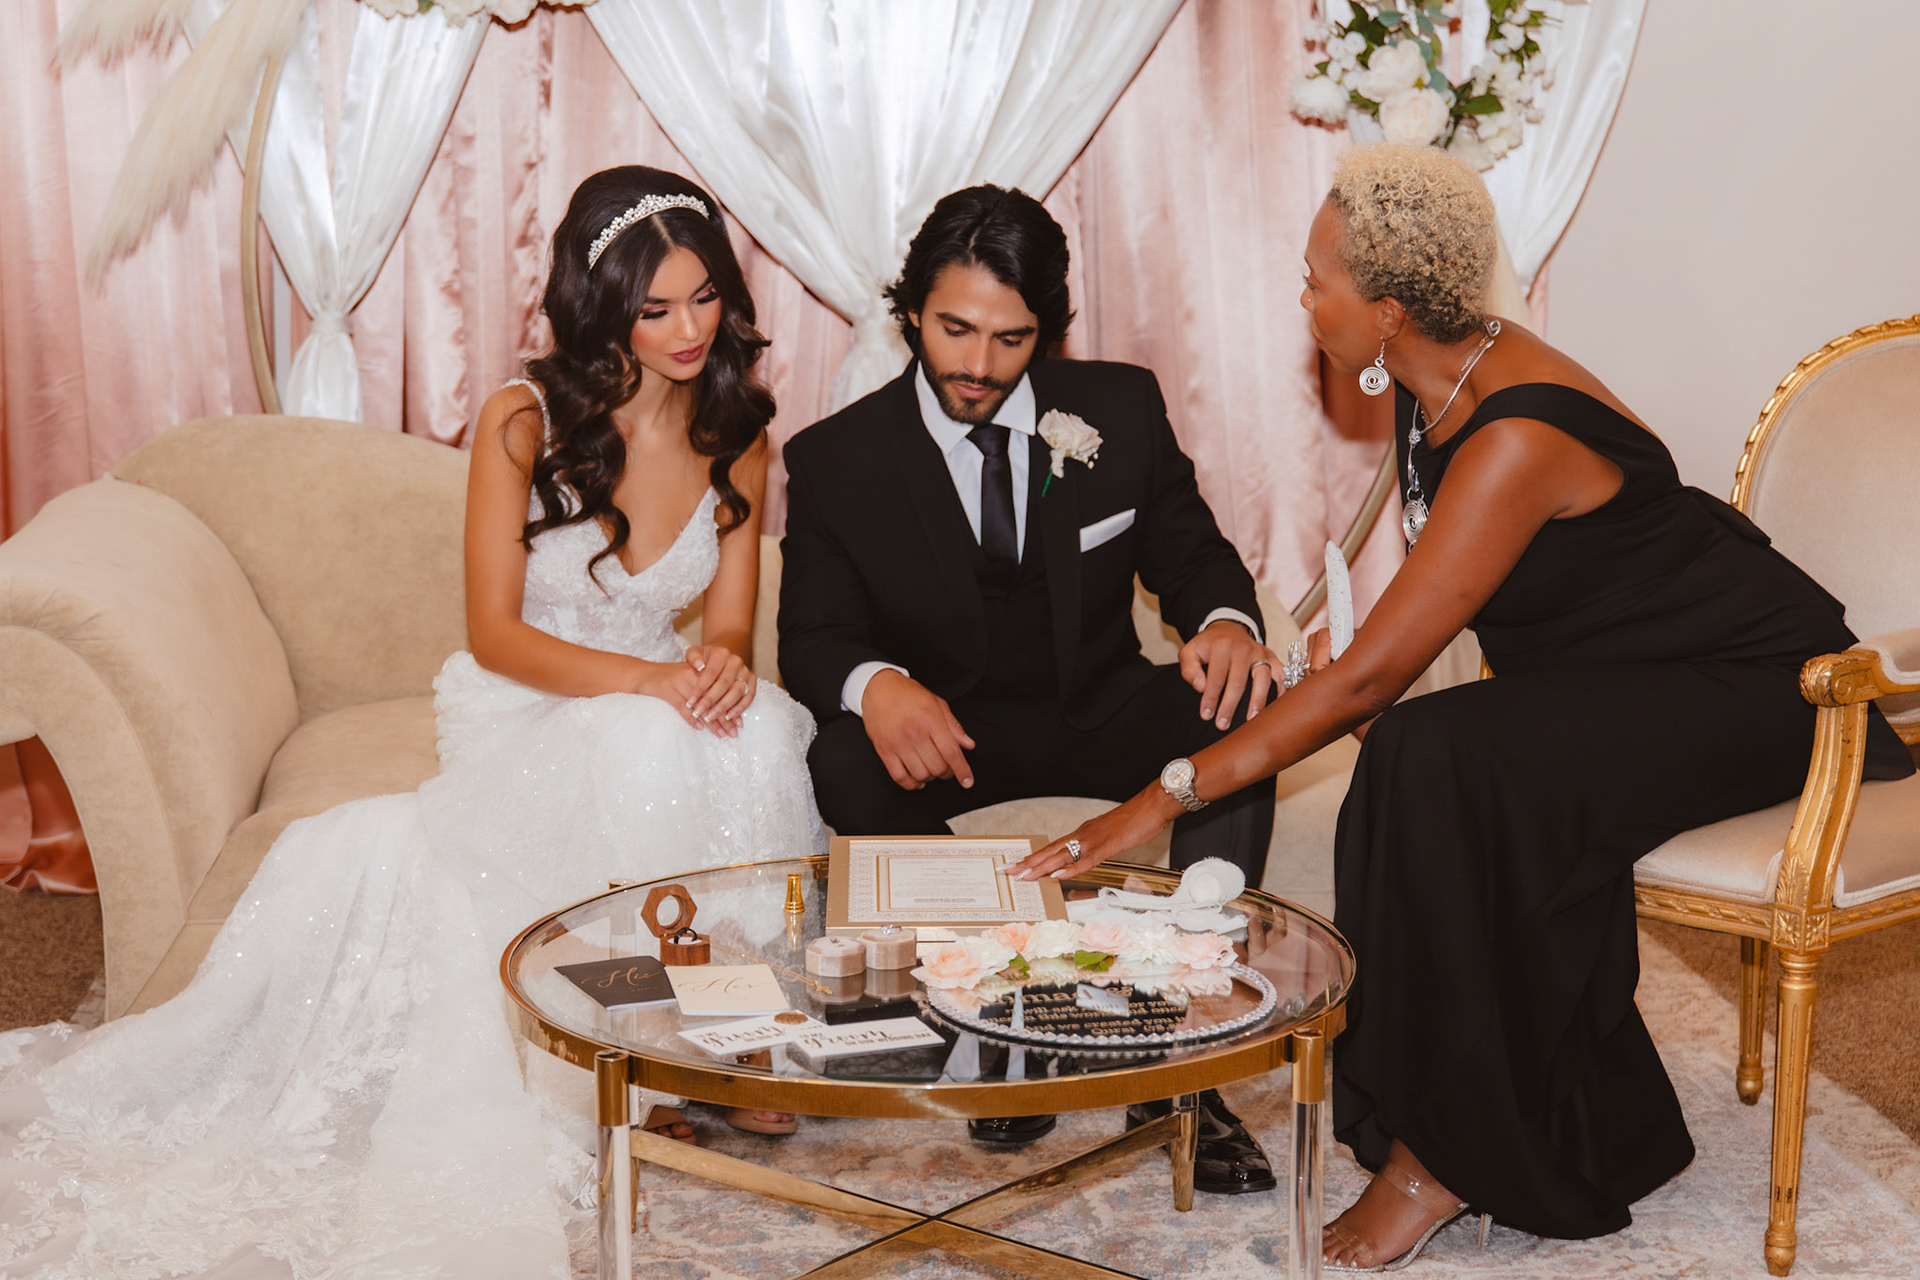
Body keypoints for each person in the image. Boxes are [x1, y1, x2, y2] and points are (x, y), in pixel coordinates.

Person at [1007, 141, 1914, 1270]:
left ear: (1388, 311)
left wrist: (1154, 802)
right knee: (1426, 754)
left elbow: (1370, 681)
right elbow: (1440, 614)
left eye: (1315, 282)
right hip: (1625, 672)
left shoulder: (1517, 431)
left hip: (1762, 685)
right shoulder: (1428, 380)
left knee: (1435, 752)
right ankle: (1532, 1110)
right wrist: (1357, 657)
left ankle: (1437, 1159)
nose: (1303, 299)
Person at [0, 166, 825, 1278]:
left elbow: (727, 621)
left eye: (706, 298)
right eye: (656, 307)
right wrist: (647, 685)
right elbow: (496, 632)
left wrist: (718, 666)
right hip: (532, 694)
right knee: (647, 743)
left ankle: (725, 1026)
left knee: (762, 730)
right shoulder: (523, 420)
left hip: (655, 695)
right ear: (601, 308)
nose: (689, 330)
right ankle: (631, 1049)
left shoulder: (738, 429)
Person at [778, 184, 1281, 1187]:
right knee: (841, 754)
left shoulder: (1120, 408)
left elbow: (1193, 556)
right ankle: (1001, 1021)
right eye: (954, 329)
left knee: (1239, 711)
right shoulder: (837, 458)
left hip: (1096, 709)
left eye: (1010, 339)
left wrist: (1227, 621)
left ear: (1046, 330)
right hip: (952, 737)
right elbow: (812, 638)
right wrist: (878, 685)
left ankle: (1179, 1059)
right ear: (911, 310)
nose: (977, 364)